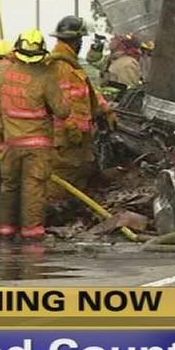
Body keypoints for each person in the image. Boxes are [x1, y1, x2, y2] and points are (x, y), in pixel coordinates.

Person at [0, 29, 69, 240]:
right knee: (33, 188)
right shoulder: (46, 76)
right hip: (37, 146)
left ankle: (5, 230)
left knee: (9, 186)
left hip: (11, 144)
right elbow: (63, 112)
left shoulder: (3, 71)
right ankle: (32, 234)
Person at [44, 15, 116, 208]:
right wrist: (71, 126)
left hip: (79, 137)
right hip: (65, 137)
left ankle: (71, 216)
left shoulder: (71, 65)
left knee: (79, 178)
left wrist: (106, 109)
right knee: (61, 181)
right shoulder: (58, 66)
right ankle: (51, 217)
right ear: (76, 41)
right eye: (81, 40)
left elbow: (88, 91)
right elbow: (60, 102)